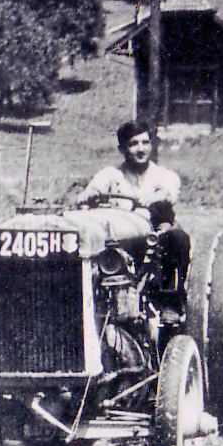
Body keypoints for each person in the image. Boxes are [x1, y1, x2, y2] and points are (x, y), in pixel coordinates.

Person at [78, 121, 190, 324]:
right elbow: (94, 189)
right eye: (133, 144)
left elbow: (169, 192)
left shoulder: (163, 175)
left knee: (176, 237)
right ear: (122, 148)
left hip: (150, 233)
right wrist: (89, 194)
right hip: (118, 236)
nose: (141, 149)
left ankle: (170, 302)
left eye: (145, 143)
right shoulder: (111, 174)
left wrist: (156, 198)